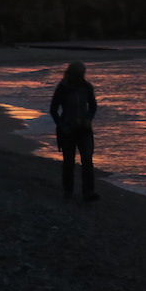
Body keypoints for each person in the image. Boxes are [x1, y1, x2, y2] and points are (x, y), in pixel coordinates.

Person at [50, 61, 99, 201]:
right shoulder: (62, 88)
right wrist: (61, 125)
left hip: (84, 129)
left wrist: (89, 118)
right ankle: (68, 191)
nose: (81, 77)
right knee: (68, 162)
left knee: (87, 160)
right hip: (67, 130)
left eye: (82, 74)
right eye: (79, 74)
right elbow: (53, 110)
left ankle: (88, 192)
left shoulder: (87, 87)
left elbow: (93, 107)